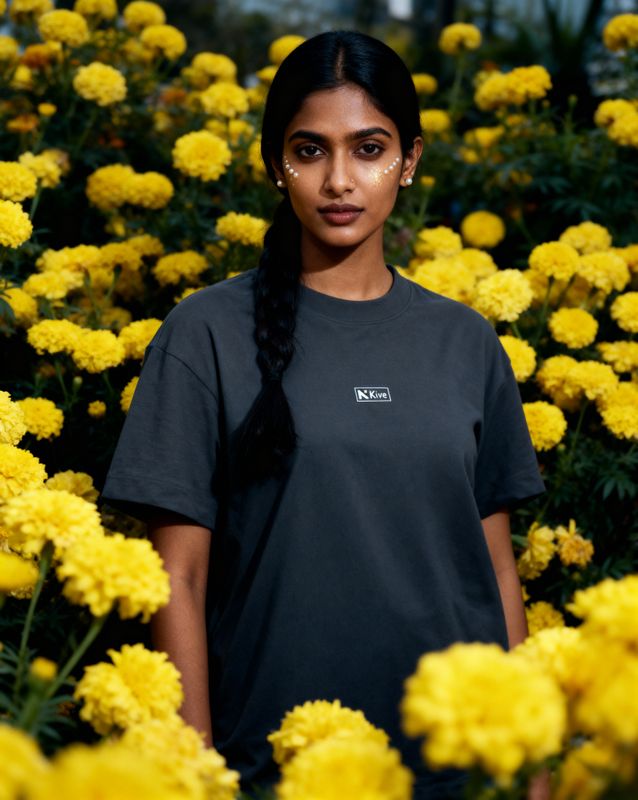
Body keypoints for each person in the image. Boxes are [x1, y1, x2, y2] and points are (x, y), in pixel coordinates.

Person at [100, 30, 549, 800]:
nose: (339, 180)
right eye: (310, 151)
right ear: (277, 164)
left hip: (459, 769)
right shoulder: (205, 333)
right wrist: (191, 770)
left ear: (409, 160)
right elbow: (177, 576)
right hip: (276, 767)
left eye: (368, 149)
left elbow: (497, 569)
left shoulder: (465, 341)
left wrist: (530, 764)